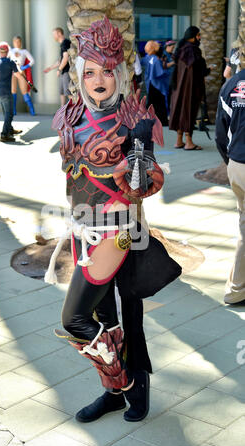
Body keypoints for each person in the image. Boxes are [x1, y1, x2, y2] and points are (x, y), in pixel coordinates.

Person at [45, 17, 181, 424]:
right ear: (78, 74)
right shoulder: (70, 115)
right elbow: (72, 176)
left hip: (121, 233)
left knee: (96, 317)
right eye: (90, 71)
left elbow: (143, 185)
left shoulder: (133, 116)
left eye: (107, 69)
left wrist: (139, 145)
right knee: (105, 318)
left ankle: (131, 387)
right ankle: (115, 393)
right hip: (82, 229)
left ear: (119, 71)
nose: (99, 79)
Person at [215, 46, 245, 304]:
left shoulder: (231, 86)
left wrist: (231, 162)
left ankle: (236, 291)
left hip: (237, 165)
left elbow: (220, 134)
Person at [169, 26, 210, 150]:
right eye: (198, 35)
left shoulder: (180, 49)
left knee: (180, 111)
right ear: (192, 37)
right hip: (190, 89)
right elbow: (200, 71)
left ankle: (179, 141)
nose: (199, 38)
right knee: (188, 112)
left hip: (178, 89)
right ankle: (189, 142)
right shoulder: (193, 51)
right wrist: (208, 70)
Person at [0, 42, 23, 143]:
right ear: (8, 51)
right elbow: (19, 75)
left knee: (6, 112)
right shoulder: (10, 62)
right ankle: (4, 135)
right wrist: (17, 67)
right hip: (5, 91)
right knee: (9, 114)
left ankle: (10, 129)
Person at [43, 27, 71, 106]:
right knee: (62, 92)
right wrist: (50, 68)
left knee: (68, 92)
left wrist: (59, 69)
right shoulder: (62, 44)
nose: (53, 36)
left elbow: (66, 58)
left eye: (54, 34)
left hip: (67, 72)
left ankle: (74, 112)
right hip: (63, 72)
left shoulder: (65, 42)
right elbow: (60, 60)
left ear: (59, 33)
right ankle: (62, 111)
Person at [143, 40, 169, 126]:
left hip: (150, 84)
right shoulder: (156, 59)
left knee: (151, 103)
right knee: (160, 104)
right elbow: (159, 73)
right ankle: (162, 120)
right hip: (157, 84)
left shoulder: (147, 58)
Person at [8, 35, 35, 116]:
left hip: (21, 72)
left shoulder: (24, 51)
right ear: (13, 42)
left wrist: (25, 66)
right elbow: (6, 59)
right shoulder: (10, 51)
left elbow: (32, 61)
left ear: (21, 42)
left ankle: (31, 109)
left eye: (19, 41)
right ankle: (13, 110)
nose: (17, 43)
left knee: (24, 91)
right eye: (16, 41)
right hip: (12, 72)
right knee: (13, 91)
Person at [162, 40, 176, 110]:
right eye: (172, 47)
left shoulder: (172, 55)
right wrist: (173, 62)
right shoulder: (164, 55)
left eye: (173, 48)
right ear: (167, 46)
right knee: (167, 97)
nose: (172, 49)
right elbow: (164, 65)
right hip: (166, 80)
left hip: (172, 79)